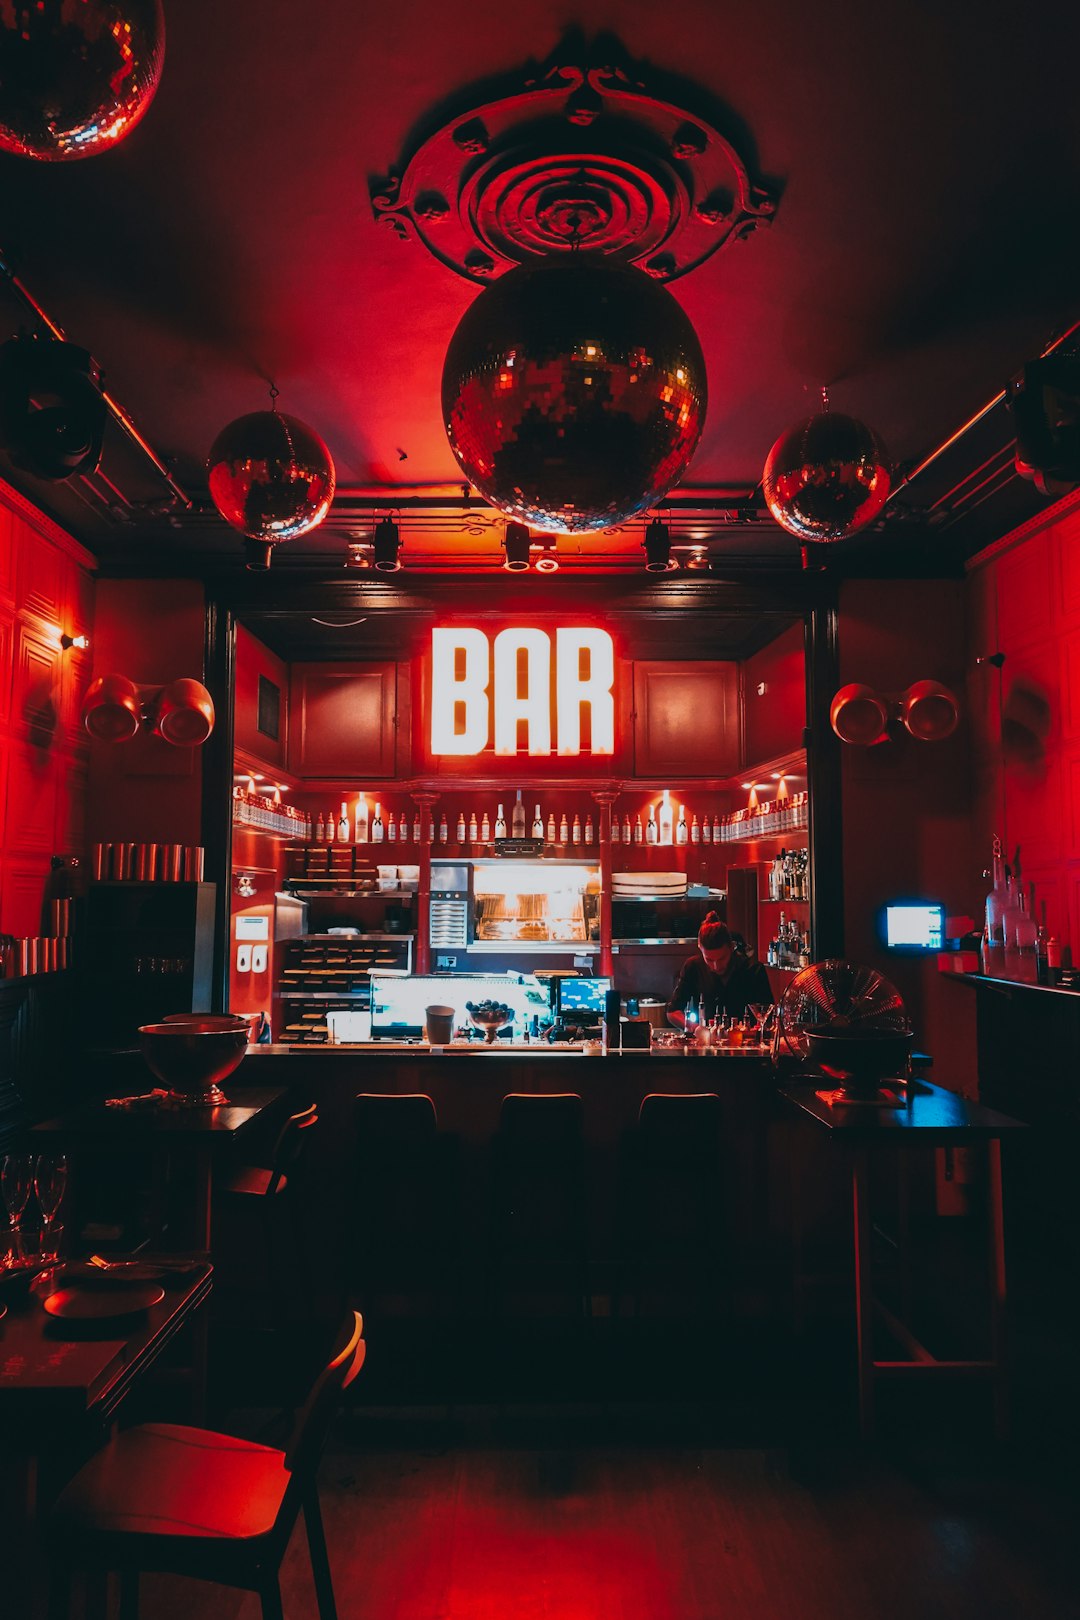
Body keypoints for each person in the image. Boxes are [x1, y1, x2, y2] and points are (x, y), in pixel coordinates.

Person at [666, 912, 772, 1029]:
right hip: (706, 1039)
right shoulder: (693, 967)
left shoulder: (753, 970)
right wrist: (697, 1029)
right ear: (700, 947)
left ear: (731, 947)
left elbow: (768, 1016)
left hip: (745, 1039)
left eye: (722, 958)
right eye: (709, 960)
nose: (716, 966)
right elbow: (672, 1012)